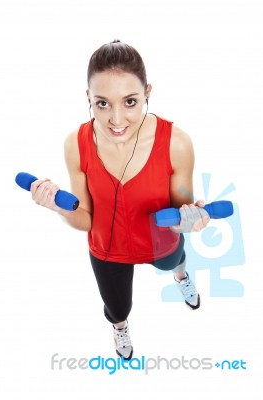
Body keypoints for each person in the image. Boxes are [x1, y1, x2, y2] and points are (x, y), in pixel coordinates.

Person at [30, 39, 210, 361]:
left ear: (147, 93)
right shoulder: (76, 143)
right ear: (88, 98)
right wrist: (57, 206)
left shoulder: (177, 143)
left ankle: (181, 275)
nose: (115, 119)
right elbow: (85, 217)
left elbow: (183, 207)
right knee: (117, 307)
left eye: (129, 101)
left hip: (160, 241)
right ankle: (119, 326)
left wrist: (190, 217)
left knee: (174, 261)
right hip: (108, 247)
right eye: (102, 103)